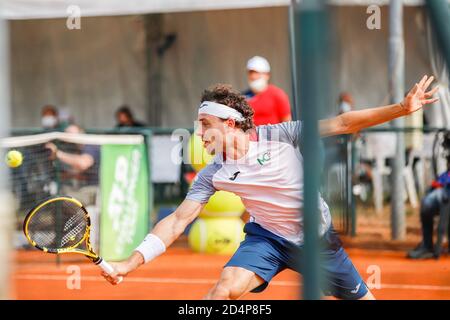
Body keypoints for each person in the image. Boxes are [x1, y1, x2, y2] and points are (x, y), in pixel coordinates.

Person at [102, 75, 438, 300]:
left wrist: (401, 109)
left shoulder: (281, 135)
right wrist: (128, 264)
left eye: (205, 125)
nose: (199, 134)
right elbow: (177, 221)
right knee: (224, 289)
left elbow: (343, 123)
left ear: (230, 124)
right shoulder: (213, 173)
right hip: (267, 239)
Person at [407, 167, 450, 259]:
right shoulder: (446, 175)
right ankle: (427, 245)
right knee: (427, 203)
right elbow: (439, 182)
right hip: (445, 191)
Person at [243, 56, 292, 126]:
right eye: (251, 73)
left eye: (257, 73)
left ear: (267, 75)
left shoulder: (277, 94)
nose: (253, 76)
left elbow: (287, 123)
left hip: (274, 136)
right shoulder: (243, 97)